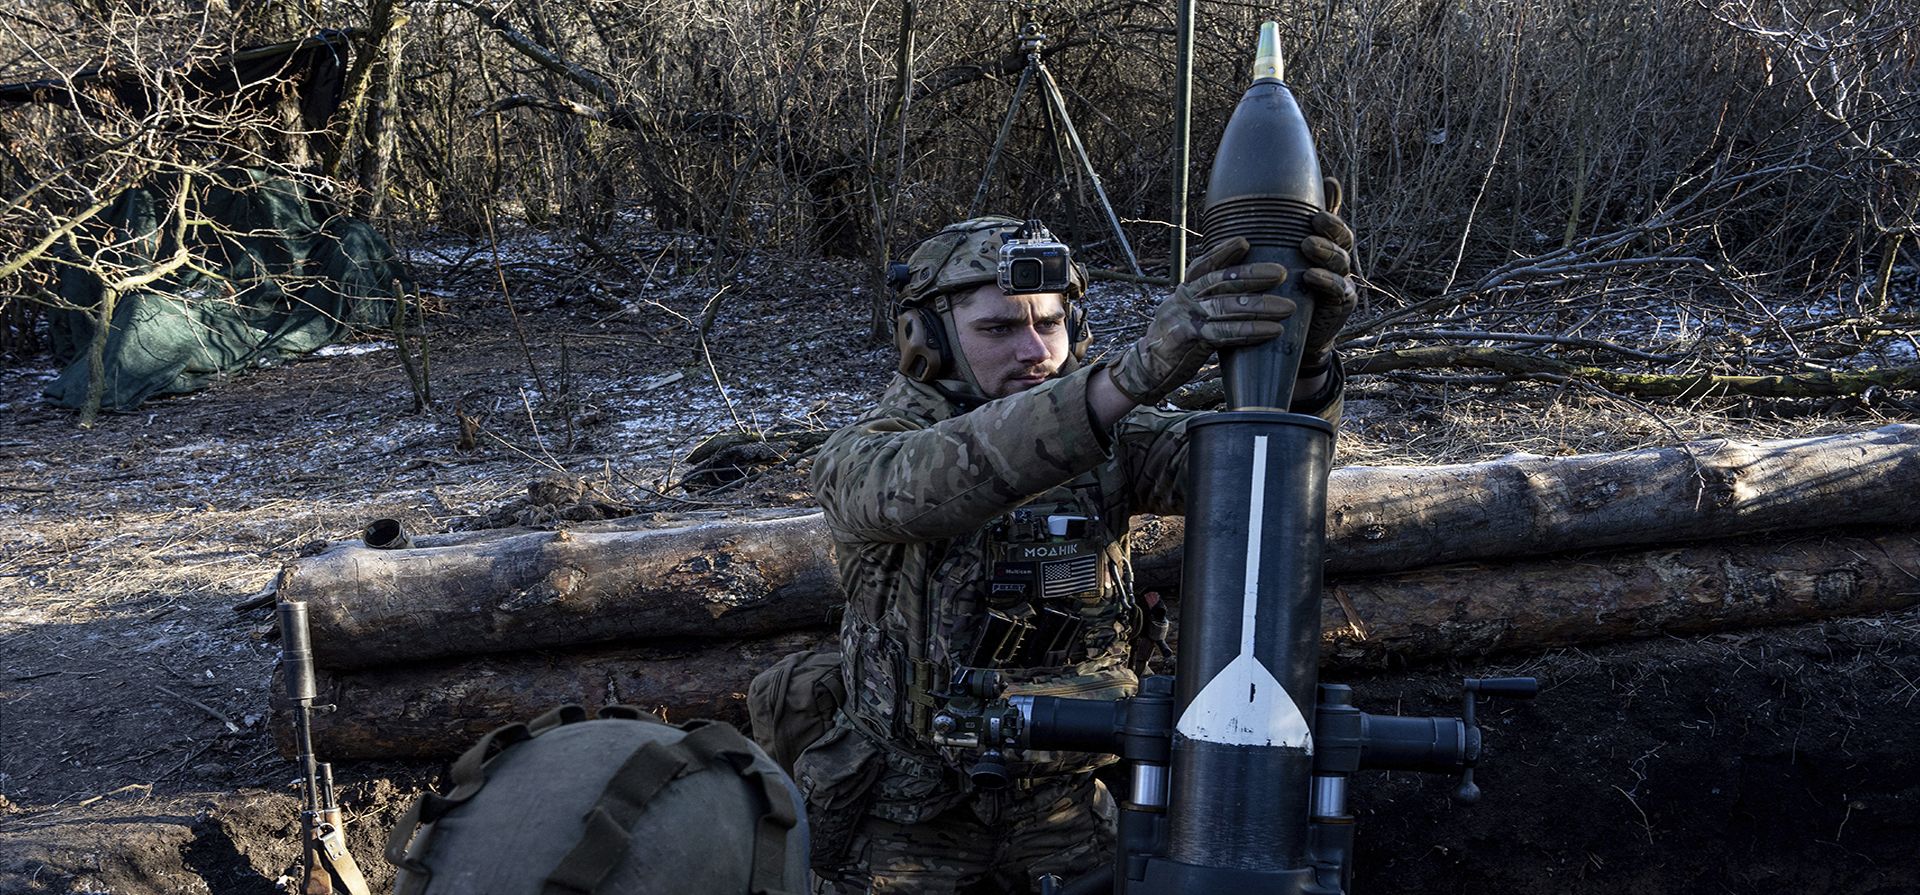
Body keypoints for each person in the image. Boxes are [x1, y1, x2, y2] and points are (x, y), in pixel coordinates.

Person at [799, 189, 1357, 894]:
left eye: (1052, 323)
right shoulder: (867, 455)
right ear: (926, 340)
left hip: (1068, 812)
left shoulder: (1115, 438)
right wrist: (1129, 377)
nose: (1035, 350)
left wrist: (1304, 358)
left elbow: (1262, 478)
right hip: (906, 822)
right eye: (1001, 328)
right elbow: (936, 479)